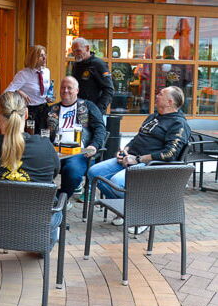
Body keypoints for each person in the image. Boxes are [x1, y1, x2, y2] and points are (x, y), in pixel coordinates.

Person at [87, 86, 190, 233]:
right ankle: (126, 211)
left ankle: (143, 215)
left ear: (170, 102)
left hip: (151, 166)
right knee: (94, 172)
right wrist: (125, 150)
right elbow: (138, 138)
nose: (156, 95)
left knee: (117, 182)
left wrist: (138, 159)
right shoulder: (153, 116)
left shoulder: (178, 124)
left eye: (161, 94)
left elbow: (170, 154)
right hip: (131, 158)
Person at [0, 91, 61, 247]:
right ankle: (41, 246)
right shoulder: (45, 148)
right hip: (37, 222)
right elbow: (53, 173)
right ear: (25, 114)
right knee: (57, 209)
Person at [47, 77, 106, 202]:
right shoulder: (52, 109)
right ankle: (47, 196)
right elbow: (43, 130)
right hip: (55, 150)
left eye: (69, 88)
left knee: (72, 170)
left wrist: (94, 145)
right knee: (40, 164)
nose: (65, 90)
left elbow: (100, 129)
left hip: (79, 152)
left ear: (77, 90)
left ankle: (61, 199)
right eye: (63, 87)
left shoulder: (88, 106)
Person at [5, 45, 52, 133]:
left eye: (45, 55)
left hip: (44, 109)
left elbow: (46, 89)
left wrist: (48, 96)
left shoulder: (46, 72)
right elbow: (7, 92)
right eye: (41, 56)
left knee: (44, 136)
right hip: (30, 111)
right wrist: (19, 92)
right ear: (34, 58)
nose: (44, 58)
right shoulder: (23, 74)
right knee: (30, 136)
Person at [71, 38, 114, 115]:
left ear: (87, 48)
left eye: (78, 51)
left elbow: (108, 89)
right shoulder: (76, 65)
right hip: (78, 109)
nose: (76, 54)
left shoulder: (98, 64)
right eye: (73, 51)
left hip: (94, 110)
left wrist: (98, 110)